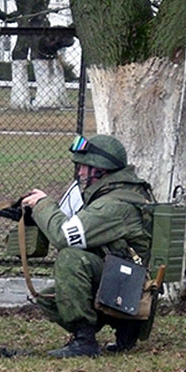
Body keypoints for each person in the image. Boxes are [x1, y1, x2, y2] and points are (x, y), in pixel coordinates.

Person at [21, 134, 154, 358]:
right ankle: (124, 328)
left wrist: (43, 205)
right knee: (50, 300)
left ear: (102, 169)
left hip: (128, 286)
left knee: (71, 258)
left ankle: (85, 342)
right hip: (124, 280)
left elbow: (64, 236)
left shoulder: (113, 205)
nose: (81, 173)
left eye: (85, 166)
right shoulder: (121, 192)